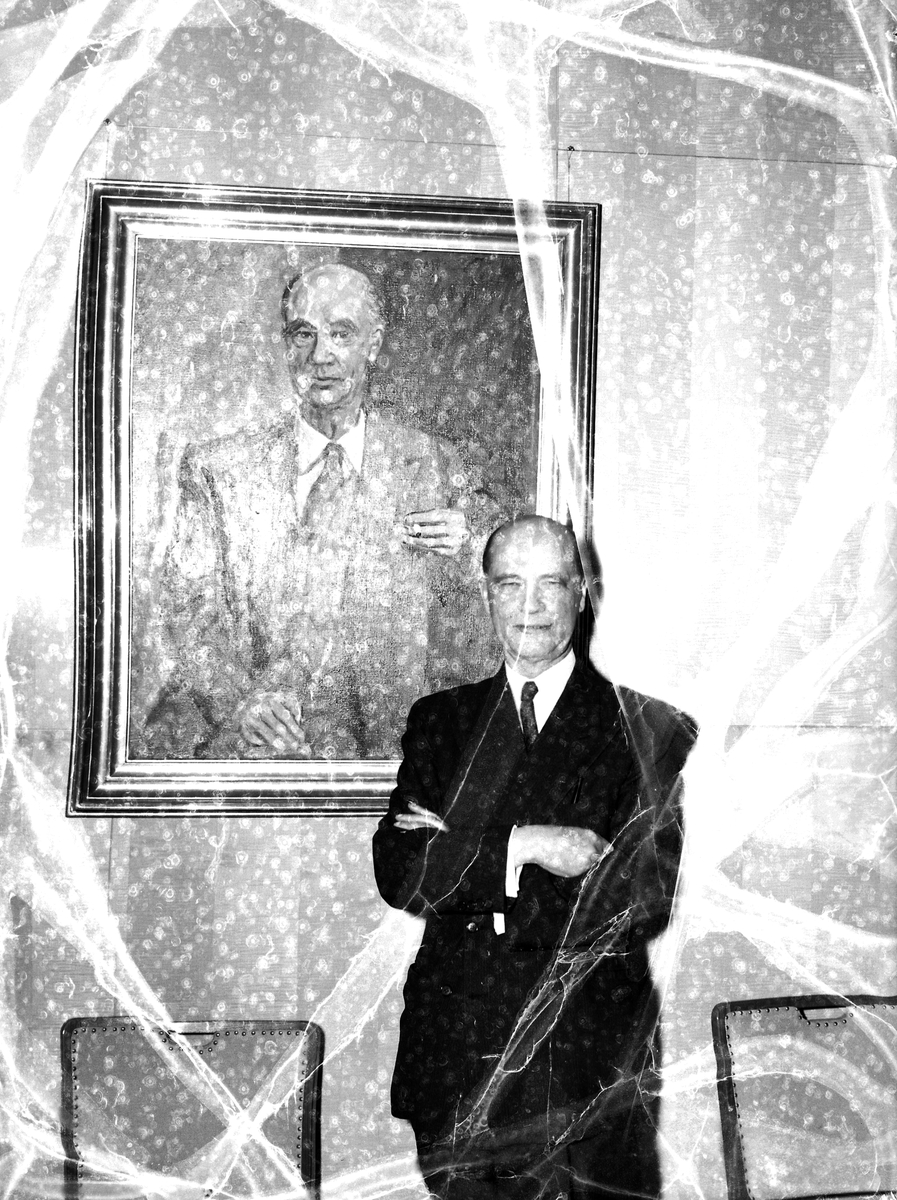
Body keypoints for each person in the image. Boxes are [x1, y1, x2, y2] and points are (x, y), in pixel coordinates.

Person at [372, 515, 698, 1198]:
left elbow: (641, 900)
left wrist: (462, 850)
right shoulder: (441, 722)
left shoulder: (648, 729)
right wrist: (527, 845)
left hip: (581, 1067)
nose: (531, 606)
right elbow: (401, 872)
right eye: (510, 584)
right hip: (456, 1061)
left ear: (582, 592)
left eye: (551, 584)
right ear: (485, 594)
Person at [139, 263, 500, 760]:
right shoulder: (217, 470)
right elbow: (187, 608)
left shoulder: (434, 464)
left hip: (391, 752)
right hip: (256, 749)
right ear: (286, 345)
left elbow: (510, 567)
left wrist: (473, 541)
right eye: (303, 334)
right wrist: (241, 703)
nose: (320, 356)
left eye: (341, 333)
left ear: (373, 344)